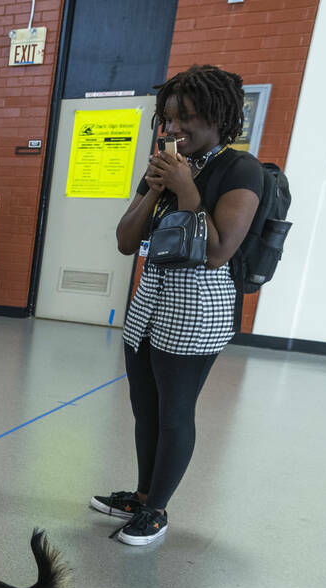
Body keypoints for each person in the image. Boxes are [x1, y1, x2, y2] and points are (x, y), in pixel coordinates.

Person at [97, 64, 262, 545]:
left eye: (185, 118)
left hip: (198, 308)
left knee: (174, 413)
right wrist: (154, 188)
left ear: (217, 118)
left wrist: (187, 188)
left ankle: (157, 510)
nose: (172, 129)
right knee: (145, 409)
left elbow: (217, 252)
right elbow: (127, 241)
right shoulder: (162, 169)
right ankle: (143, 494)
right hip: (150, 302)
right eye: (168, 119)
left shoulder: (240, 170)